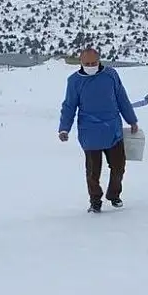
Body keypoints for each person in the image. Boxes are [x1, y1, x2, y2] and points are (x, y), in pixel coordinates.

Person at [58, 48, 139, 213]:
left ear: (100, 60)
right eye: (86, 63)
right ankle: (95, 201)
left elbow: (121, 98)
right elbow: (69, 106)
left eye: (93, 63)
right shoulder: (74, 81)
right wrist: (64, 128)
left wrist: (131, 119)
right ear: (81, 62)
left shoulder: (111, 75)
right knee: (93, 172)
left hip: (112, 129)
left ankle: (114, 195)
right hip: (90, 131)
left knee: (118, 166)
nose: (90, 66)